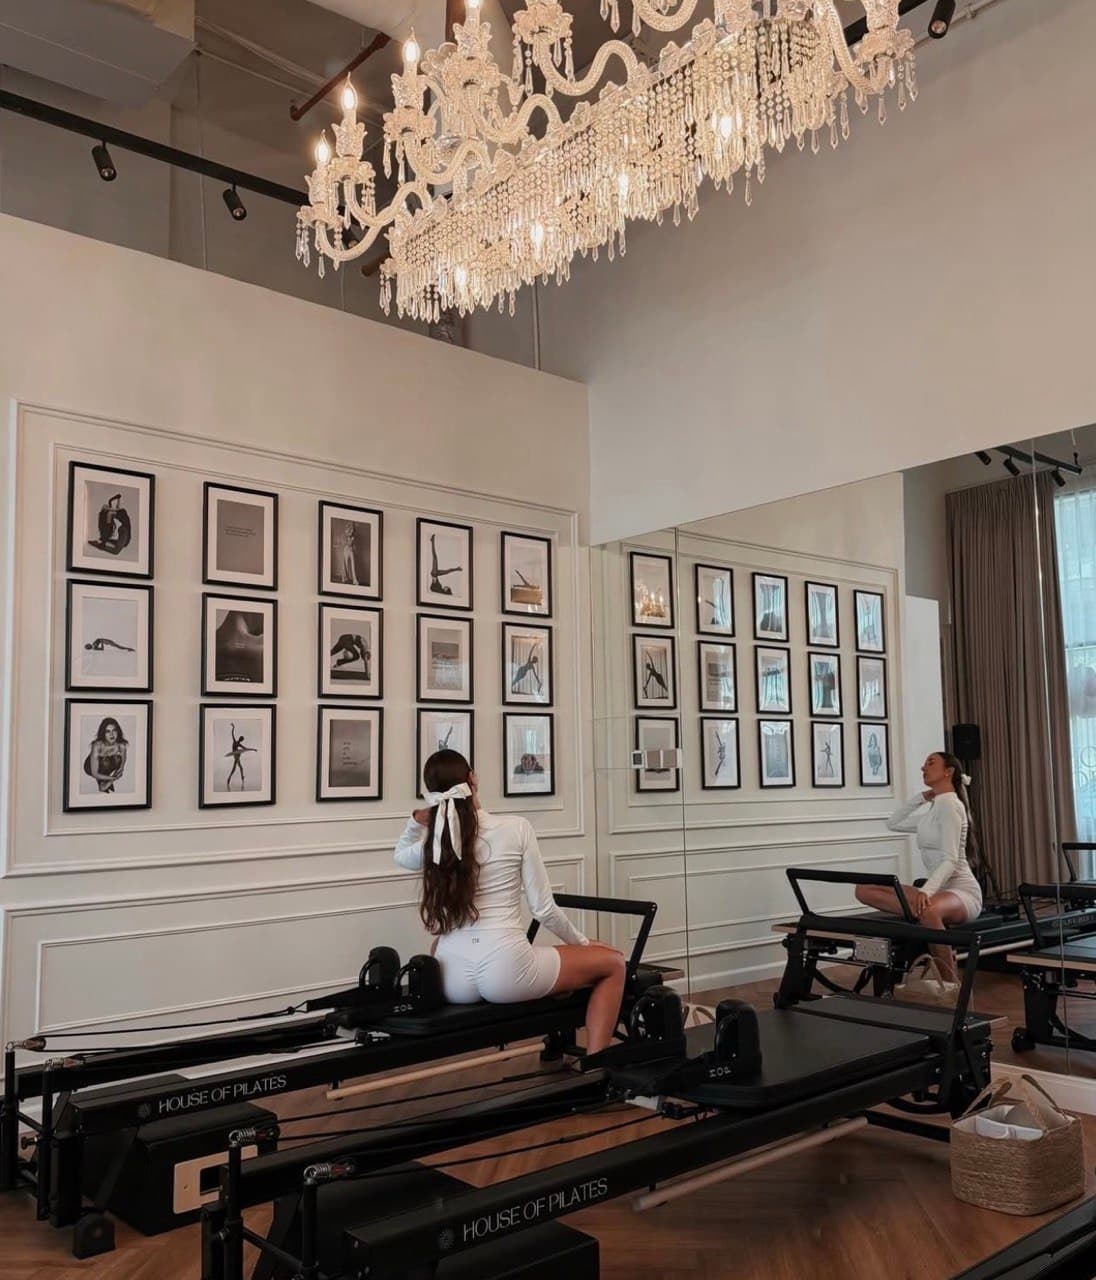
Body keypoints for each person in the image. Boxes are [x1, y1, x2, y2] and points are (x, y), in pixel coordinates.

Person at [394, 750, 626, 1052]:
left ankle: (560, 1005)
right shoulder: (516, 828)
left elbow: (400, 855)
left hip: (454, 979)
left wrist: (415, 820)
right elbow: (543, 909)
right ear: (473, 779)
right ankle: (597, 1065)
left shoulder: (436, 842)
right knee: (614, 963)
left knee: (440, 942)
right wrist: (582, 944)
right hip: (506, 971)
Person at [855, 751, 983, 983]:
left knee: (928, 910)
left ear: (949, 771)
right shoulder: (934, 809)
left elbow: (950, 860)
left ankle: (951, 986)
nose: (923, 768)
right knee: (863, 890)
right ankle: (921, 913)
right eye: (924, 764)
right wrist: (921, 798)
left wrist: (926, 891)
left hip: (962, 892)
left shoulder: (951, 805)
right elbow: (893, 823)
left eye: (930, 763)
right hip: (936, 893)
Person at [82, 717, 128, 793]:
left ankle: (105, 782)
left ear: (118, 732)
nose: (111, 734)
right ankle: (103, 782)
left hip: (106, 765)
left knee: (117, 759)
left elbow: (122, 763)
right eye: (108, 731)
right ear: (103, 733)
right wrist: (113, 778)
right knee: (105, 762)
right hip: (90, 767)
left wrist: (119, 771)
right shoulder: (97, 745)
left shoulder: (121, 745)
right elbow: (94, 773)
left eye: (114, 730)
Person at [224, 723, 256, 790]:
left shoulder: (235, 741)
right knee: (234, 768)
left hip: (236, 755)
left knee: (241, 768)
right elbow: (246, 749)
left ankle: (242, 777)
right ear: (241, 740)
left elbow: (232, 734)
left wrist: (233, 728)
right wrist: (253, 749)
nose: (242, 740)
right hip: (236, 755)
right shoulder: (238, 744)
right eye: (242, 740)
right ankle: (229, 778)